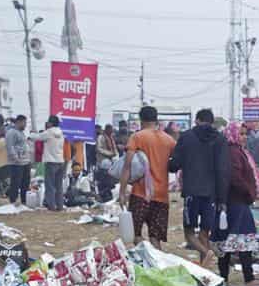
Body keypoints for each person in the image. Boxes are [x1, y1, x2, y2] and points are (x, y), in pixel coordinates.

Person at [168, 108, 229, 265]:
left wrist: (168, 163)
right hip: (212, 194)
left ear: (197, 120)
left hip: (192, 192)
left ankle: (206, 252)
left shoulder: (187, 137)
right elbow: (223, 171)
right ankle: (205, 271)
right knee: (204, 233)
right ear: (211, 121)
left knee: (189, 234)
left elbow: (175, 165)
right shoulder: (220, 139)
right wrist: (222, 199)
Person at [210, 120, 259, 284]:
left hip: (232, 202)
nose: (244, 137)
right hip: (236, 202)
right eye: (240, 134)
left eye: (245, 134)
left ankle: (225, 277)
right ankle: (246, 277)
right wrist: (249, 193)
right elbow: (235, 178)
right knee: (238, 241)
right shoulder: (233, 152)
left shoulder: (235, 151)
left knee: (231, 241)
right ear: (232, 134)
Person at [118, 105, 176, 248]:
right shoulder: (169, 140)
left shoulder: (137, 137)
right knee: (155, 238)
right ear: (156, 120)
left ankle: (146, 257)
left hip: (140, 193)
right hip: (161, 195)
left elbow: (127, 166)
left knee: (136, 234)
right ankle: (157, 263)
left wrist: (122, 192)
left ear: (141, 120)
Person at [38, 116, 66, 211]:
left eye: (48, 122)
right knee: (59, 185)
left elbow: (38, 137)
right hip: (60, 161)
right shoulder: (61, 132)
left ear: (51, 123)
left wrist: (30, 136)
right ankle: (60, 205)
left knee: (49, 185)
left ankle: (51, 206)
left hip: (51, 162)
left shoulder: (49, 132)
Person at [5, 115, 33, 205]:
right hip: (16, 163)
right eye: (24, 123)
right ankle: (13, 201)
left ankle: (24, 201)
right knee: (15, 183)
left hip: (25, 162)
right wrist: (15, 158)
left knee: (25, 182)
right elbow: (10, 146)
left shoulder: (22, 133)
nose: (25, 125)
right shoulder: (11, 132)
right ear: (18, 122)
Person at [94, 124, 118, 203]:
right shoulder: (101, 137)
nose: (111, 131)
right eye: (110, 130)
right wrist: (109, 153)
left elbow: (114, 148)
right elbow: (98, 148)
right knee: (103, 178)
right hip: (102, 160)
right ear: (107, 129)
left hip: (110, 161)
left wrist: (115, 155)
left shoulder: (111, 137)